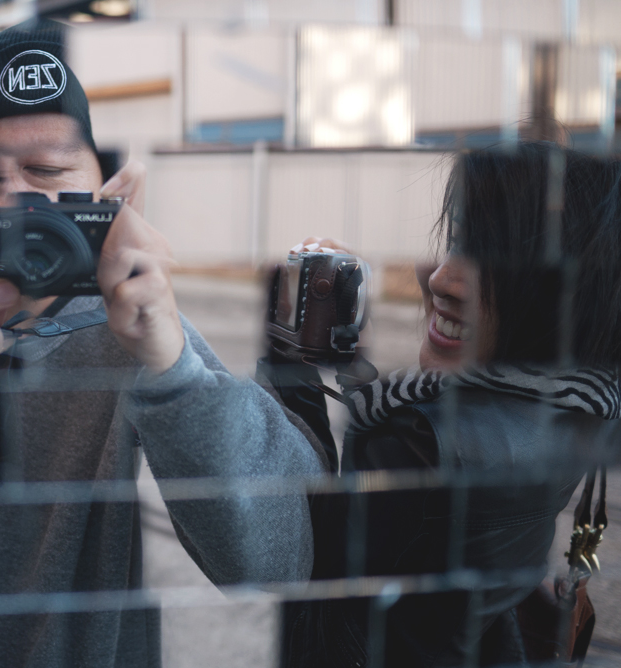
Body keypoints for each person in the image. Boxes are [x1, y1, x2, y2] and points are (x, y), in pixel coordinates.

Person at [0, 20, 326, 668]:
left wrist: (173, 370)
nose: (22, 201)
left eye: (48, 170)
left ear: (110, 191)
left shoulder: (137, 335)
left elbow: (276, 564)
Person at [265, 142, 621, 666]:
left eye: (494, 260)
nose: (441, 279)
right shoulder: (591, 402)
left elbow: (296, 550)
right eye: (455, 239)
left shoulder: (415, 440)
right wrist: (347, 347)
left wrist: (288, 357)